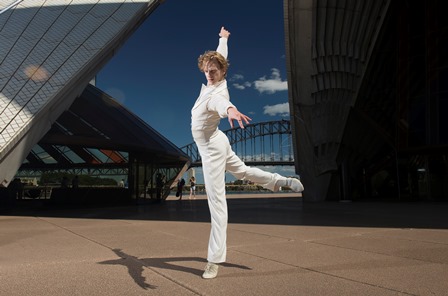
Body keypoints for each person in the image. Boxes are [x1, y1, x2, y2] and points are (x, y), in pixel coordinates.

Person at [191, 26, 304, 279]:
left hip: (211, 149)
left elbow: (223, 105)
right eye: (206, 70)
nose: (209, 74)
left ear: (222, 73)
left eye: (214, 71)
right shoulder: (212, 81)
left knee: (216, 204)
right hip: (218, 142)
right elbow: (221, 54)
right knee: (243, 172)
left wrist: (231, 111)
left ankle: (214, 260)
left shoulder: (218, 94)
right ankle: (282, 181)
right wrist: (223, 38)